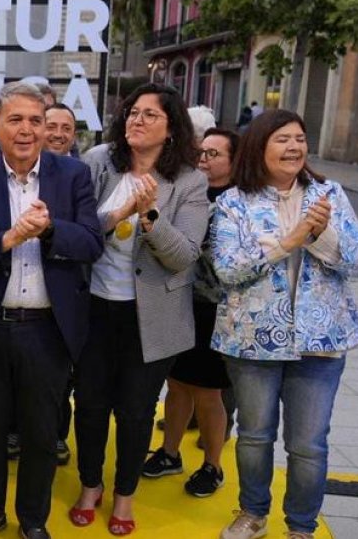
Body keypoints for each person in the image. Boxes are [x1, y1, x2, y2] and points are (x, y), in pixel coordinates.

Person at [0, 82, 103, 539]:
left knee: (41, 435)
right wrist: (7, 240)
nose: (27, 129)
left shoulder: (71, 175)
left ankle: (33, 520)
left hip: (47, 329)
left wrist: (50, 229)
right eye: (15, 119)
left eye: (36, 120)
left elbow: (92, 242)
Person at [212, 110, 358, 539]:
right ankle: (253, 512)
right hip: (252, 340)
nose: (294, 147)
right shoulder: (233, 202)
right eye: (282, 139)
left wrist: (320, 237)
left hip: (319, 343)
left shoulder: (329, 194)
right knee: (254, 436)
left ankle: (301, 526)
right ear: (259, 146)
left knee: (308, 445)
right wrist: (288, 242)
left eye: (299, 138)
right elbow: (227, 269)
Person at [71, 84, 209, 535]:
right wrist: (121, 211)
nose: (137, 120)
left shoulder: (189, 180)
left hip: (151, 318)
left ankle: (124, 494)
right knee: (89, 405)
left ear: (171, 129)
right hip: (94, 307)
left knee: (135, 410)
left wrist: (149, 217)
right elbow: (76, 233)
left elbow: (183, 255)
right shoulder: (97, 162)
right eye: (133, 112)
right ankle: (90, 484)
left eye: (151, 114)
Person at [142, 127, 239, 497]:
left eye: (215, 153)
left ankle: (212, 465)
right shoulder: (183, 189)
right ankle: (169, 453)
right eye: (201, 150)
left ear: (233, 160)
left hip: (214, 307)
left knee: (208, 392)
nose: (204, 157)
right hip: (178, 299)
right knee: (177, 384)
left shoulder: (237, 202)